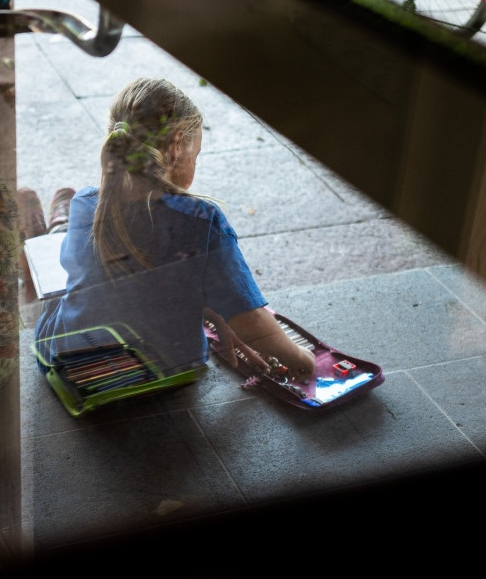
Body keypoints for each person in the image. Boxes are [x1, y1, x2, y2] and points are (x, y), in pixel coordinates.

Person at [32, 77, 314, 384]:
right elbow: (253, 322)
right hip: (162, 374)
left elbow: (132, 282)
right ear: (178, 145)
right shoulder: (203, 221)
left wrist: (219, 313)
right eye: (197, 155)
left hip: (70, 366)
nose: (195, 161)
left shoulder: (86, 201)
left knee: (61, 286)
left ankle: (48, 226)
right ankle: (49, 226)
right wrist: (301, 360)